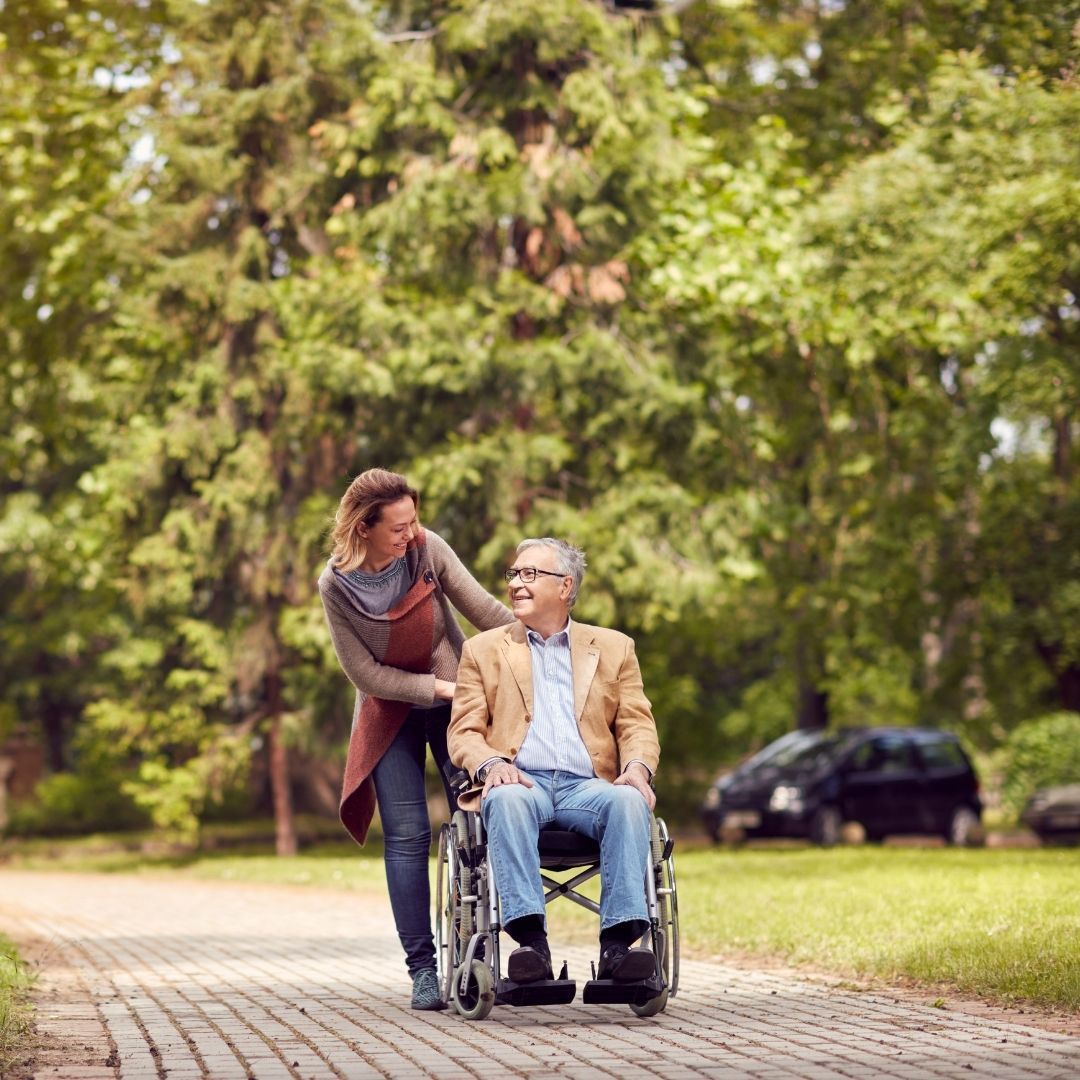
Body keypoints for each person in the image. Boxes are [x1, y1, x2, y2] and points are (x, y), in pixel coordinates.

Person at [318, 468, 513, 1010]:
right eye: (397, 528)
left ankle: (484, 948)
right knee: (406, 836)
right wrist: (441, 689)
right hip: (390, 708)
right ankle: (423, 971)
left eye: (412, 521)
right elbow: (366, 675)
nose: (410, 534)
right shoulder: (335, 587)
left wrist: (550, 643)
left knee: (476, 818)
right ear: (363, 528)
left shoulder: (427, 550)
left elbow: (486, 613)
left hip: (453, 696)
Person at [448, 537, 661, 985]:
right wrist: (490, 766)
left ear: (565, 587)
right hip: (521, 781)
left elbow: (636, 725)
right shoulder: (483, 650)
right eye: (514, 575)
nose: (516, 584)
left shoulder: (614, 647)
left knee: (628, 802)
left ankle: (620, 950)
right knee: (505, 799)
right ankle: (530, 947)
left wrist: (637, 769)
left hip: (588, 786)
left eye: (530, 574)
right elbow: (464, 732)